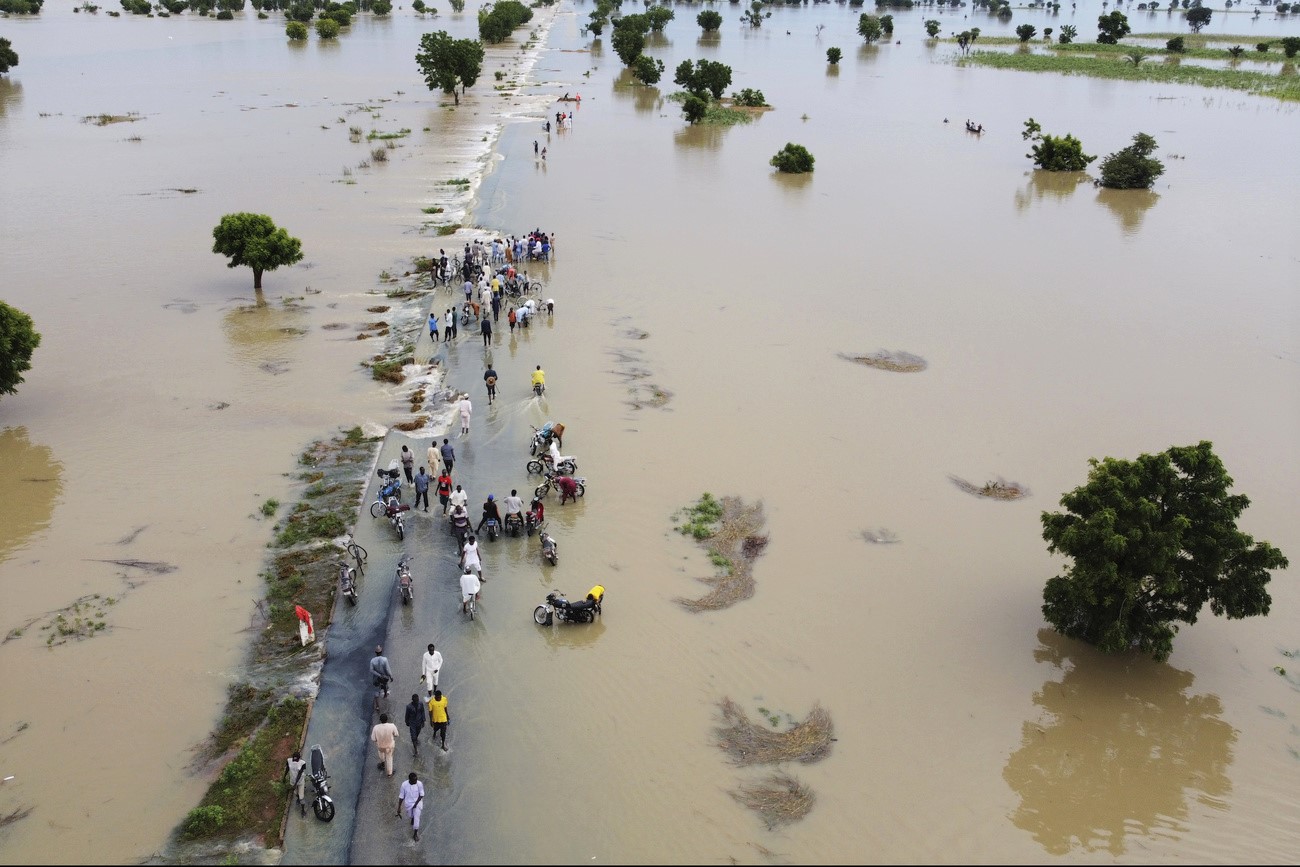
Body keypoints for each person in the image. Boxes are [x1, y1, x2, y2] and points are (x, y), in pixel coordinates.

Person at [397, 772, 425, 841]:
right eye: (414, 781)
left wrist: (415, 804)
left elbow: (421, 795)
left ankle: (415, 834)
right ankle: (412, 817)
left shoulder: (419, 784)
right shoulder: (404, 785)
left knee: (416, 819)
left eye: (416, 779)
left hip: (417, 803)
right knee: (410, 816)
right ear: (410, 780)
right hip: (408, 804)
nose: (416, 781)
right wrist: (399, 807)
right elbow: (401, 797)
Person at [371, 713, 399, 777]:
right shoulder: (392, 726)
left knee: (381, 754)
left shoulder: (376, 728)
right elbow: (396, 734)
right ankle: (389, 773)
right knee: (389, 758)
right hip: (389, 746)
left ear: (380, 720)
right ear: (387, 719)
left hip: (380, 746)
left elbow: (373, 738)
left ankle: (382, 763)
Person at [284, 750, 308, 817]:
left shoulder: (302, 763)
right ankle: (298, 798)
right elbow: (287, 769)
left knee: (301, 798)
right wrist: (284, 777)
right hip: (293, 781)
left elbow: (299, 774)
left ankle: (303, 810)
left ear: (299, 758)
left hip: (300, 782)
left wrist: (295, 784)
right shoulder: (289, 761)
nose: (295, 761)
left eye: (296, 759)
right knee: (296, 793)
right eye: (294, 759)